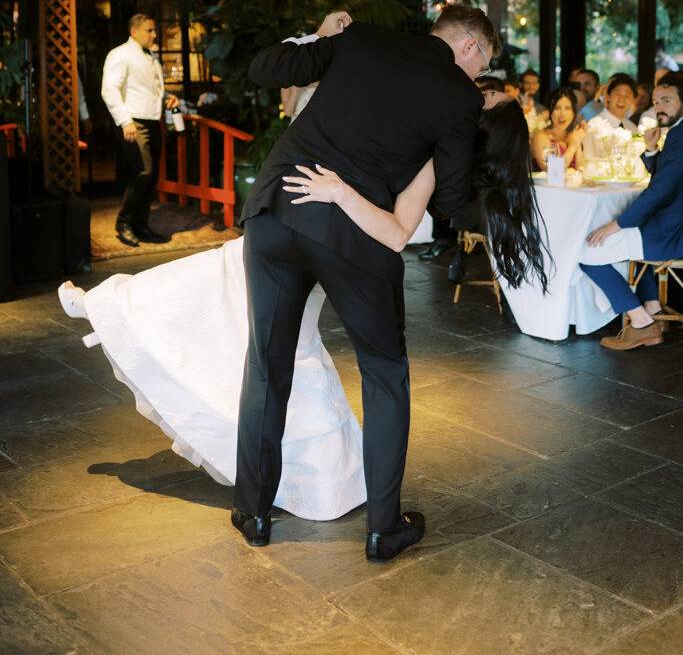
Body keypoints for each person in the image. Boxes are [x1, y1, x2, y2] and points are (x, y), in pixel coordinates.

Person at [56, 91, 547, 522]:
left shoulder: (436, 155)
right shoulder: (426, 125)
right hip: (310, 233)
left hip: (344, 250)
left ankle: (294, 496)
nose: (476, 90)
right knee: (257, 317)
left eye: (486, 97)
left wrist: (339, 193)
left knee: (271, 337)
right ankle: (318, 484)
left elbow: (398, 232)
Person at [234, 3, 500, 562]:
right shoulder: (458, 95)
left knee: (267, 362)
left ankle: (254, 512)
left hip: (276, 210)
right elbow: (452, 202)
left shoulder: (362, 39)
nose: (477, 78)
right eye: (482, 66)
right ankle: (383, 529)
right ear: (472, 47)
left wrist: (322, 34)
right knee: (383, 372)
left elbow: (264, 68)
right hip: (350, 236)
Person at [579, 72, 683, 350]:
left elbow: (660, 192)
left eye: (667, 100)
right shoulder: (677, 134)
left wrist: (615, 225)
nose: (659, 106)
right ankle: (652, 307)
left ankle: (641, 323)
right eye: (657, 101)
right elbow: (669, 181)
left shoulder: (680, 136)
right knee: (624, 247)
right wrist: (650, 151)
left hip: (669, 232)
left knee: (587, 251)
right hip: (671, 226)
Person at [101, 14, 180, 248]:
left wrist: (168, 98)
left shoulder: (152, 57)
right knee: (143, 172)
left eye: (154, 30)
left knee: (152, 175)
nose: (154, 35)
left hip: (153, 121)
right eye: (150, 30)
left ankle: (140, 225)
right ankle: (124, 222)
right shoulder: (120, 54)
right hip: (133, 122)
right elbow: (109, 90)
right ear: (134, 31)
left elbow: (152, 90)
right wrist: (125, 121)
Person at [530, 87, 586, 172]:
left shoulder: (572, 136)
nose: (562, 114)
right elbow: (552, 171)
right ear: (549, 111)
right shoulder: (541, 137)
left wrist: (577, 142)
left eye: (567, 108)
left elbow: (580, 170)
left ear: (573, 112)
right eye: (557, 108)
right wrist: (573, 146)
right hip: (545, 185)